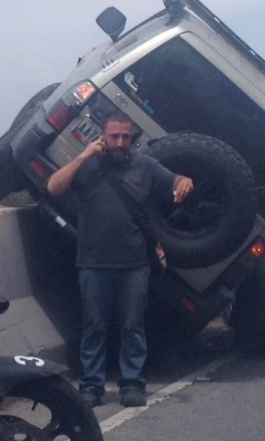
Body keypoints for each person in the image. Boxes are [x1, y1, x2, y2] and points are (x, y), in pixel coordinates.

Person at [46, 112, 194, 408]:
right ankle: (91, 385)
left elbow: (174, 180)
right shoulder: (87, 165)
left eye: (125, 137)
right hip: (92, 263)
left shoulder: (145, 165)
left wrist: (184, 181)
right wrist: (82, 156)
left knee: (132, 328)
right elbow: (54, 187)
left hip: (134, 265)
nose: (120, 142)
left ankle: (133, 384)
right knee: (94, 327)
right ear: (103, 136)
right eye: (114, 136)